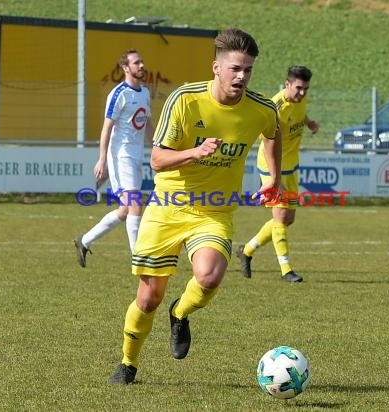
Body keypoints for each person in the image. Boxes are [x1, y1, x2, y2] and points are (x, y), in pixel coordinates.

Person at [107, 28, 282, 385]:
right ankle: (128, 364)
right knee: (148, 297)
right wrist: (194, 152)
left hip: (213, 212)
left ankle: (181, 312)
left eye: (248, 69)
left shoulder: (261, 108)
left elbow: (272, 134)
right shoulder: (185, 100)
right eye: (235, 68)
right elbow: (156, 159)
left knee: (210, 275)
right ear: (216, 67)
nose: (242, 76)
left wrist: (273, 179)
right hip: (168, 207)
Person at [236, 66, 319, 282]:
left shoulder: (300, 101)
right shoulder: (276, 107)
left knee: (287, 218)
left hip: (291, 167)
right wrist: (275, 179)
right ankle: (286, 270)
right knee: (280, 217)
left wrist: (309, 123)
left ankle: (246, 250)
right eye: (299, 88)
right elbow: (267, 144)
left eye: (306, 89)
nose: (302, 93)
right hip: (273, 168)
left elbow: (300, 115)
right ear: (287, 84)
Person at [73, 49, 154, 267]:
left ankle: (84, 240)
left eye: (142, 61)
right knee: (136, 204)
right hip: (121, 156)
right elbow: (106, 128)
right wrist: (102, 160)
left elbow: (146, 124)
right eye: (137, 62)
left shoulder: (145, 92)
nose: (142, 65)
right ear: (126, 68)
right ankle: (138, 257)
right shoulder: (118, 94)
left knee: (124, 210)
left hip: (137, 156)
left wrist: (156, 146)